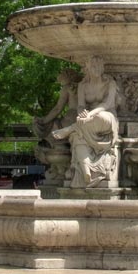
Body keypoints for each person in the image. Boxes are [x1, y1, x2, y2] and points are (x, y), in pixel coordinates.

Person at [52, 56, 121, 188]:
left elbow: (107, 104)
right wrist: (82, 112)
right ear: (88, 69)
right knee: (77, 136)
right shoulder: (82, 86)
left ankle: (70, 128)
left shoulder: (110, 83)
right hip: (88, 120)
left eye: (99, 66)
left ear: (102, 68)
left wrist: (90, 114)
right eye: (93, 67)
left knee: (97, 117)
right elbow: (80, 106)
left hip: (107, 116)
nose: (96, 69)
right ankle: (86, 171)